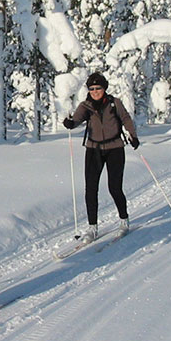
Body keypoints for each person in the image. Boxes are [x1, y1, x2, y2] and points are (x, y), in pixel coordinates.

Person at [62, 72, 140, 242]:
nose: (95, 91)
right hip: (93, 150)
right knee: (91, 189)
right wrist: (70, 123)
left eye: (98, 88)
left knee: (115, 187)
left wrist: (133, 136)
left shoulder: (114, 103)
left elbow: (126, 119)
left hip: (115, 149)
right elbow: (76, 119)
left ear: (104, 88)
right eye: (91, 88)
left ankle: (124, 220)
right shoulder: (86, 106)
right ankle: (92, 228)